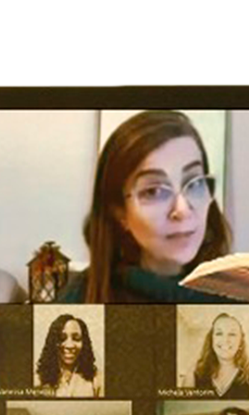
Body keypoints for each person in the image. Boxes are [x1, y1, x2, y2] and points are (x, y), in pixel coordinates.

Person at [60, 110, 231, 303]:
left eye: (194, 182)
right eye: (154, 191)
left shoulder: (239, 294)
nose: (182, 210)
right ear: (120, 213)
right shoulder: (78, 301)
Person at [192, 312, 249, 397]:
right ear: (211, 340)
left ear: (240, 342)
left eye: (232, 334)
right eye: (219, 333)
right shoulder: (193, 373)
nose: (225, 339)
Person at [34, 313, 103, 397]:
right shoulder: (38, 379)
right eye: (62, 338)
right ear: (53, 342)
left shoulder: (97, 380)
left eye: (76, 338)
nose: (69, 345)